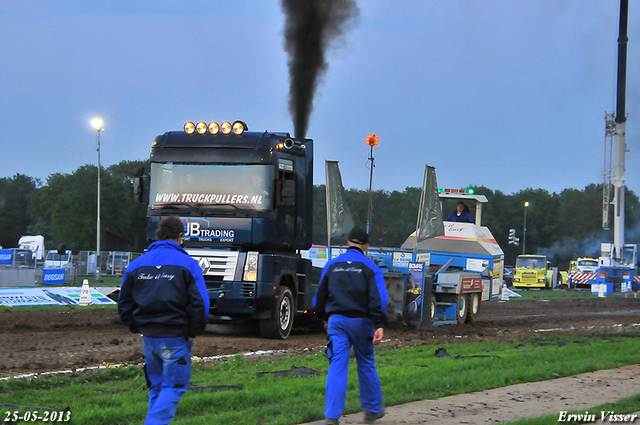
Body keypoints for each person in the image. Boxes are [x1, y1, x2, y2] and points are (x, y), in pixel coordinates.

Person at [118, 216, 210, 425]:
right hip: (176, 337)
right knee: (174, 387)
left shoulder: (136, 265)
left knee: (157, 387)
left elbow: (123, 302)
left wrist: (137, 326)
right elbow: (201, 304)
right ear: (180, 236)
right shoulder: (188, 264)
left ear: (158, 235)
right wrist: (193, 330)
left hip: (149, 338)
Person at [313, 228, 389, 425]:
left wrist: (324, 317)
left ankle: (331, 416)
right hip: (361, 322)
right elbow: (379, 299)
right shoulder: (370, 266)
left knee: (337, 365)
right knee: (365, 362)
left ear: (348, 243)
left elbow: (318, 298)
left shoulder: (331, 265)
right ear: (365, 246)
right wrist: (379, 324)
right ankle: (372, 409)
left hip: (336, 322)